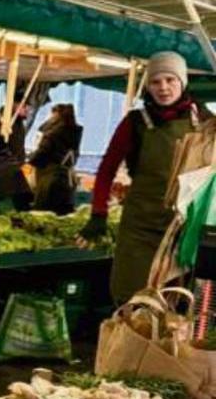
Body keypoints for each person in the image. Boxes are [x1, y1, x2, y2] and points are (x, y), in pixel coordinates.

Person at [78, 51, 210, 303]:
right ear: (147, 86)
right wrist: (98, 213)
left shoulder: (204, 121)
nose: (163, 88)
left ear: (182, 82)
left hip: (184, 229)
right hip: (141, 228)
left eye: (170, 80)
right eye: (155, 82)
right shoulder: (136, 122)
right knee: (133, 297)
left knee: (176, 301)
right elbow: (106, 170)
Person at [29, 103, 82, 215]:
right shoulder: (75, 133)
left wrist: (31, 158)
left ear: (57, 115)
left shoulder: (52, 134)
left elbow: (42, 153)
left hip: (48, 178)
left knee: (43, 214)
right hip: (66, 179)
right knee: (61, 214)